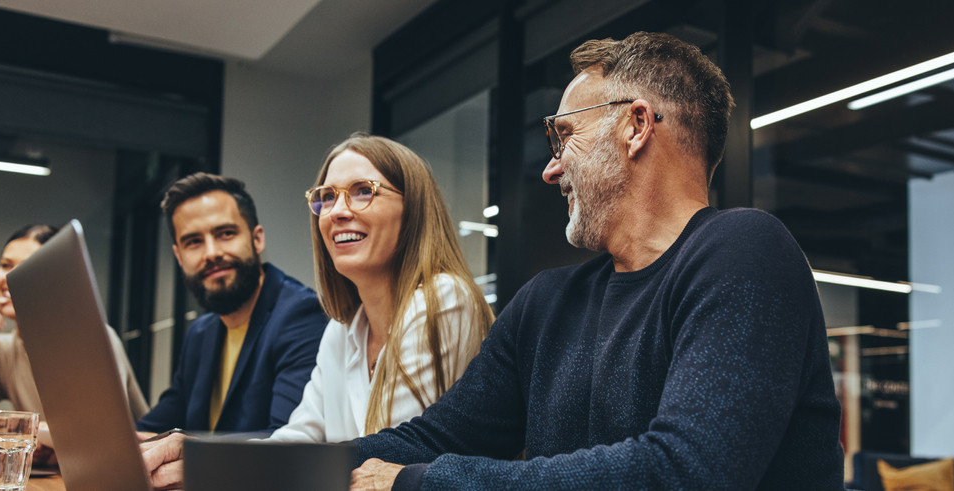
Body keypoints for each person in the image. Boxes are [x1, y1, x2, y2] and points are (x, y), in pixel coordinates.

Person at [142, 31, 844, 490]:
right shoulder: (548, 304)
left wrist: (419, 482)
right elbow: (431, 433)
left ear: (636, 125)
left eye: (563, 134)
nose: (549, 168)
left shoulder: (744, 251)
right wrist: (227, 462)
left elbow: (685, 472)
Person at [263, 134, 493, 443]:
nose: (337, 212)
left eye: (362, 192)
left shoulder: (444, 298)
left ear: (413, 210)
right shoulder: (341, 332)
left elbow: (388, 455)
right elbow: (300, 436)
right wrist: (210, 461)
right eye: (327, 197)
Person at [0, 224, 148, 457]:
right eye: (5, 265)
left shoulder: (95, 339)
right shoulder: (0, 351)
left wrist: (24, 433)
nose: (8, 278)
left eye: (25, 267)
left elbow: (98, 443)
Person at [136, 173, 328, 434]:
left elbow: (287, 442)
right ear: (179, 257)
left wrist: (186, 453)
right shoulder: (200, 334)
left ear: (257, 239)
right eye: (194, 242)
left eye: (225, 233)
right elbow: (156, 425)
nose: (212, 252)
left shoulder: (301, 315)